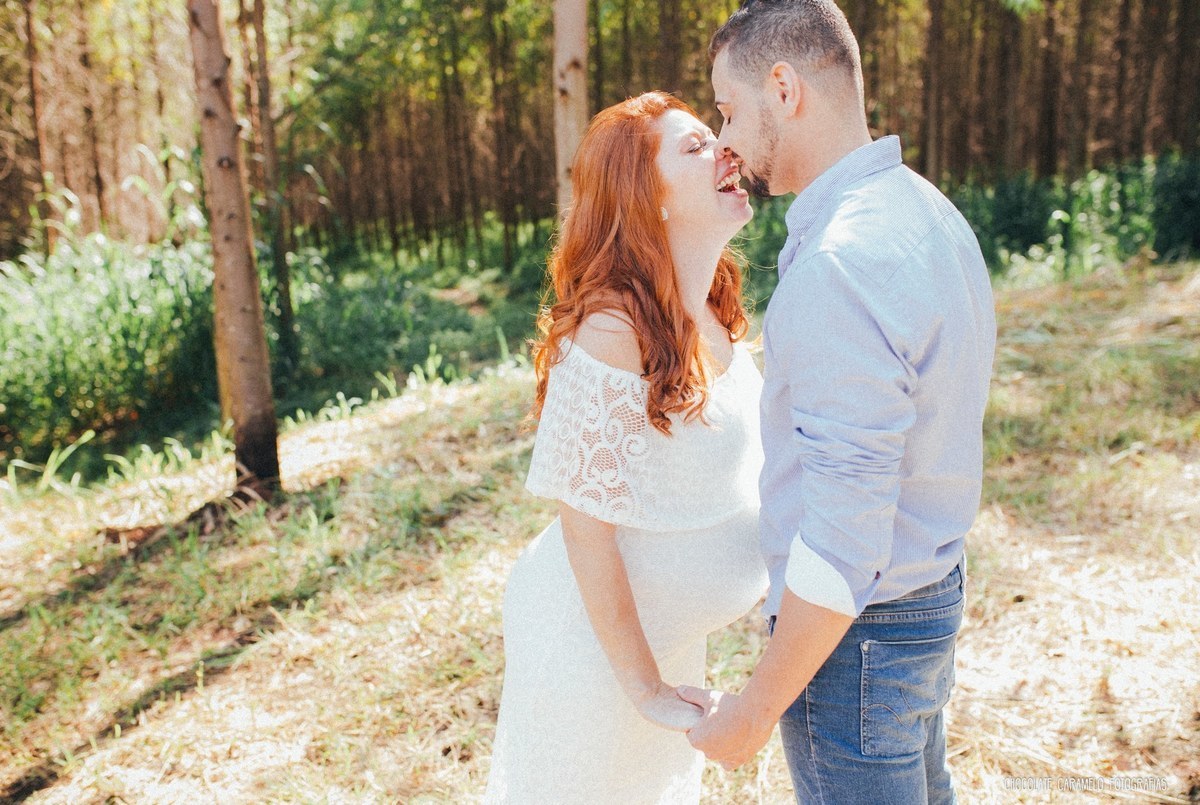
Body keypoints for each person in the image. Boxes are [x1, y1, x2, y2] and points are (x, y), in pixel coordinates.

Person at [680, 1, 997, 803]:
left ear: (783, 87)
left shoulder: (837, 265)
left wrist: (753, 711)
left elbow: (841, 539)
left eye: (727, 109)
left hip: (857, 645)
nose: (726, 142)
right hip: (925, 605)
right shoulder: (928, 211)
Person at [483, 91, 769, 803]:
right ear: (650, 198)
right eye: (695, 147)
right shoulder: (612, 332)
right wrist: (643, 688)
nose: (724, 151)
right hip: (590, 656)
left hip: (668, 643)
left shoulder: (710, 308)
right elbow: (586, 529)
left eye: (715, 137)